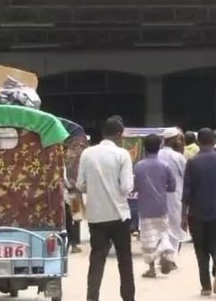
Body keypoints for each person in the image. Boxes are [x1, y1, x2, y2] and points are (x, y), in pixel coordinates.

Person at [77, 116, 135, 301]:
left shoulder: (87, 154)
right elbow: (126, 187)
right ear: (119, 134)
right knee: (124, 260)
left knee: (96, 259)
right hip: (119, 216)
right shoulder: (122, 155)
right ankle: (128, 297)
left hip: (96, 216)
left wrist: (96, 186)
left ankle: (92, 297)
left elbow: (80, 185)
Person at [181, 128, 216, 296]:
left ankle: (205, 287)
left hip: (196, 213)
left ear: (198, 142)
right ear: (213, 141)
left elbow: (187, 191)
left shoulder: (192, 162)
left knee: (200, 250)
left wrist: (183, 216)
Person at [135, 134, 177, 278]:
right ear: (159, 147)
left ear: (144, 148)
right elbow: (172, 186)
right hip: (161, 207)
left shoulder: (139, 166)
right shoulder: (165, 166)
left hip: (145, 208)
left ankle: (151, 269)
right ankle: (166, 255)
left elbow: (135, 187)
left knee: (148, 239)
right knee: (163, 234)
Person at [158, 128, 188, 259]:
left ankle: (164, 255)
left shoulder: (156, 154)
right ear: (173, 140)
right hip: (175, 196)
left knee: (162, 227)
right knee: (175, 227)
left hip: (158, 196)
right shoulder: (178, 157)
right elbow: (187, 175)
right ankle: (171, 257)